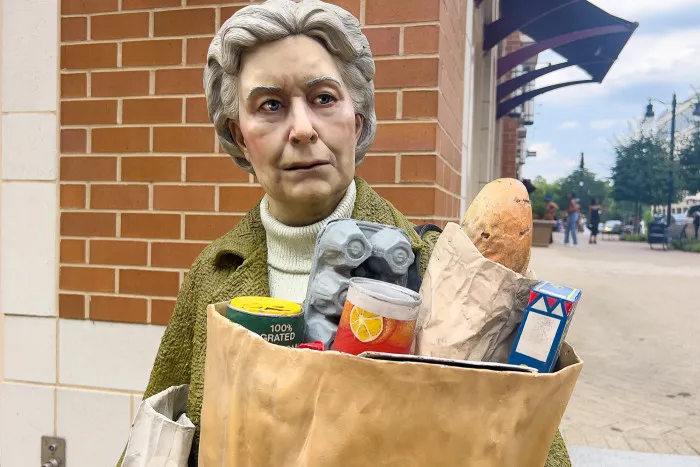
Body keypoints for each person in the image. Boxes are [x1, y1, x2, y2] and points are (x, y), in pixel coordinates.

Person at [117, 1, 571, 465]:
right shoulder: (210, 277)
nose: (301, 129)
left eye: (323, 98)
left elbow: (533, 447)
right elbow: (157, 442)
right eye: (270, 105)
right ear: (239, 134)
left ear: (357, 120)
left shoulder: (446, 273)